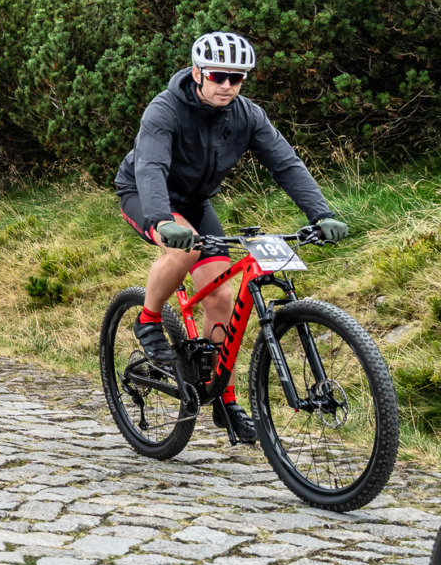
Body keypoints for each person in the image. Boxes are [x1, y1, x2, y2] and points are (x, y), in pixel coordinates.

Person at [115, 31, 348, 443]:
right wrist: (159, 220)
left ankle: (222, 395)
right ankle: (149, 318)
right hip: (145, 193)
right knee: (182, 249)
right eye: (219, 75)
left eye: (236, 78)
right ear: (197, 72)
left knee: (221, 297)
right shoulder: (164, 109)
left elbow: (286, 163)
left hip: (196, 202)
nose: (227, 85)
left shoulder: (247, 115)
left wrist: (322, 213)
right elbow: (150, 166)